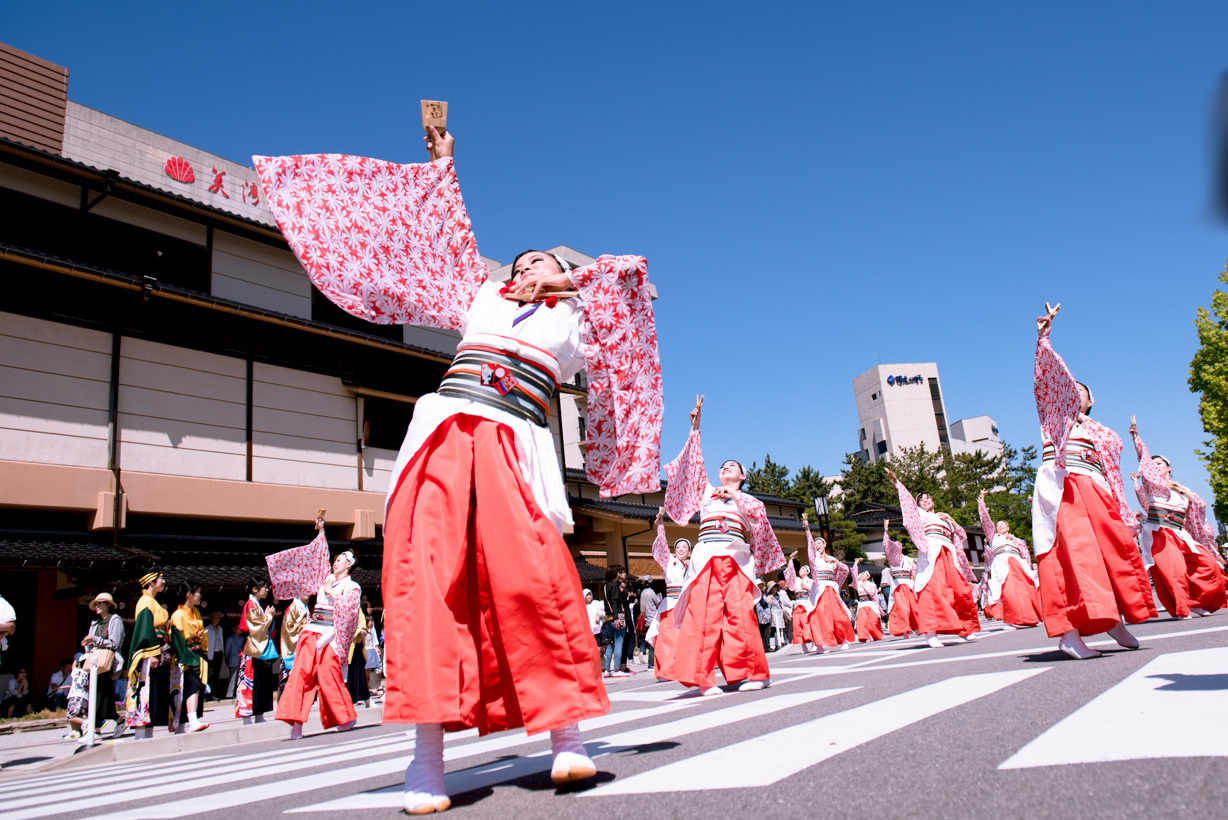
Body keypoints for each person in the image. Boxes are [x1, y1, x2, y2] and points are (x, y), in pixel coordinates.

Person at [257, 125, 663, 811]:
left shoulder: (579, 320)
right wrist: (444, 166)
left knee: (533, 576)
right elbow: (442, 236)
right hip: (444, 430)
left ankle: (565, 737)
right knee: (426, 581)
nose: (525, 268)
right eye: (520, 262)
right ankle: (427, 758)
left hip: (515, 442)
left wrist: (564, 279)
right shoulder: (480, 296)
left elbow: (630, 274)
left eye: (538, 261)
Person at [1032, 306, 1156, 659]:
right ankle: (1069, 633)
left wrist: (1124, 507)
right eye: (1070, 387)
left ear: (1092, 399)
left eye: (1081, 389)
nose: (1074, 391)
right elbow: (1047, 382)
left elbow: (1115, 473)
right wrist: (1044, 339)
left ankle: (1112, 618)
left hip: (1097, 489)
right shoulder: (1056, 415)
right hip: (1064, 485)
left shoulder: (1104, 433)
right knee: (1071, 554)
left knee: (1111, 552)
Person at [662, 396, 790, 695]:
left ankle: (755, 672)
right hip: (707, 557)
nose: (725, 467)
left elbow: (758, 517)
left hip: (735, 559)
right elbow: (693, 467)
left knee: (739, 615)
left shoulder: (748, 500)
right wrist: (695, 429)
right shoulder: (707, 492)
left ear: (742, 476)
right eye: (722, 466)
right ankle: (702, 678)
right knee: (703, 616)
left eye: (732, 466)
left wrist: (733, 497)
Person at [1129, 422, 1227, 618]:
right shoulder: (1152, 485)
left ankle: (1195, 601)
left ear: (1169, 467)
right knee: (1175, 570)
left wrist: (1185, 491)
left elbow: (1200, 506)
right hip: (1161, 532)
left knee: (1207, 564)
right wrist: (1136, 439)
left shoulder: (1179, 489)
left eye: (1159, 464)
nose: (1155, 466)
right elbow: (1145, 465)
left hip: (1181, 533)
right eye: (1152, 464)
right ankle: (1183, 607)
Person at [886, 469, 980, 649]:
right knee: (933, 590)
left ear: (933, 500)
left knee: (960, 590)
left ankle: (965, 628)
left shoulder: (942, 517)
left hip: (949, 553)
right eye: (921, 499)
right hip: (932, 553)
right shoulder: (920, 515)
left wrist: (951, 520)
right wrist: (897, 483)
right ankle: (931, 632)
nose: (925, 500)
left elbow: (962, 535)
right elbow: (907, 504)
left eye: (928, 498)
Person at [276, 547, 361, 739]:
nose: (335, 562)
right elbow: (319, 555)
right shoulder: (327, 580)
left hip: (330, 635)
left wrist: (332, 594)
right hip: (312, 631)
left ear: (349, 564)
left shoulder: (352, 586)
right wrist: (321, 530)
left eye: (339, 560)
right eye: (335, 560)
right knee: (300, 675)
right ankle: (296, 724)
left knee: (328, 677)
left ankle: (345, 717)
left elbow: (349, 612)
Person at [977, 491, 1042, 629]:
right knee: (1008, 590)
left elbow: (1025, 554)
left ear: (1008, 527)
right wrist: (982, 503)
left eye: (1002, 524)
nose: (1000, 526)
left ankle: (1028, 617)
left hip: (1017, 562)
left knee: (1025, 589)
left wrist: (1017, 542)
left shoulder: (1016, 539)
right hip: (1003, 563)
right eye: (998, 525)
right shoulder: (994, 538)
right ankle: (1010, 619)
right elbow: (986, 522)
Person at [646, 509, 693, 679]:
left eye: (684, 547)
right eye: (678, 547)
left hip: (687, 603)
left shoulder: (692, 566)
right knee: (668, 637)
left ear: (689, 551)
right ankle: (667, 669)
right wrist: (660, 523)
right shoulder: (670, 562)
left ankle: (687, 666)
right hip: (671, 604)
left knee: (687, 637)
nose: (681, 549)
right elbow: (662, 544)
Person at [798, 513, 854, 653]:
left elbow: (845, 570)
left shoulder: (830, 559)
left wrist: (836, 561)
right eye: (815, 544)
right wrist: (807, 529)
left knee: (837, 615)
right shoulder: (814, 558)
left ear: (824, 545)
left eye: (819, 543)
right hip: (820, 589)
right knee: (819, 616)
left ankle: (842, 640)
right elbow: (810, 545)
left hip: (831, 589)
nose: (817, 546)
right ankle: (820, 645)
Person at [126, 571, 170, 739]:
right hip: (149, 650)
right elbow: (146, 629)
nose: (163, 581)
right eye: (160, 579)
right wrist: (151, 653)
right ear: (151, 583)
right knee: (146, 688)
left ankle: (148, 731)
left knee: (154, 690)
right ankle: (141, 733)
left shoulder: (152, 601)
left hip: (157, 648)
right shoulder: (145, 602)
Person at [168, 581, 210, 733]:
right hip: (186, 655)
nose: (200, 595)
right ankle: (191, 720)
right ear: (189, 594)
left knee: (194, 686)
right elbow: (178, 640)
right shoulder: (178, 615)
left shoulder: (196, 613)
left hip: (197, 653)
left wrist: (204, 652)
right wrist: (184, 657)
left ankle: (184, 724)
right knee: (191, 686)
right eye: (197, 592)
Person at [236, 574, 277, 723]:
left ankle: (259, 712)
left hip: (259, 649)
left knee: (260, 682)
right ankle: (247, 715)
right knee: (250, 681)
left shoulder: (256, 604)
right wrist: (268, 617)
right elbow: (256, 628)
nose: (267, 589)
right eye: (264, 587)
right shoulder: (251, 604)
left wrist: (267, 617)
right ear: (255, 589)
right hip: (252, 649)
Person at [83, 592, 125, 737]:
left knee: (100, 695)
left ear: (108, 604)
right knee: (102, 696)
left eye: (100, 603)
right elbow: (91, 642)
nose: (97, 606)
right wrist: (88, 644)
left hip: (108, 663)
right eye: (96, 604)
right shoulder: (95, 623)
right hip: (96, 662)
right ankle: (118, 721)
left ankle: (95, 730)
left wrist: (96, 640)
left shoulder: (115, 620)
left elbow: (115, 643)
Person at [880, 521, 920, 638]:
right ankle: (904, 630)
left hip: (909, 584)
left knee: (913, 606)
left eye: (898, 546)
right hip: (898, 585)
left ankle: (916, 626)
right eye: (894, 547)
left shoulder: (909, 560)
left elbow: (915, 572)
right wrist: (886, 530)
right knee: (902, 608)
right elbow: (886, 545)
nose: (896, 549)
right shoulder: (892, 560)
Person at [280, 594, 311, 690]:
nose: (308, 594)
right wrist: (304, 625)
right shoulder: (293, 607)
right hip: (293, 649)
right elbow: (289, 629)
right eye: (305, 592)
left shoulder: (306, 607)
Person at [852, 559, 884, 642]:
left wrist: (865, 587)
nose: (862, 575)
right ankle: (864, 637)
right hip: (862, 604)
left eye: (864, 574)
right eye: (861, 574)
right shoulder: (858, 584)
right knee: (862, 621)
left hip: (870, 603)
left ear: (868, 576)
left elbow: (872, 593)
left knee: (873, 620)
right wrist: (856, 563)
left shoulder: (872, 585)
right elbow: (854, 575)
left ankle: (876, 635)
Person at [347, 600, 372, 708]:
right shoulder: (342, 609)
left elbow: (363, 628)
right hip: (347, 646)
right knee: (348, 675)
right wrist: (358, 633)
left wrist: (360, 634)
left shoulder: (358, 611)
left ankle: (365, 699)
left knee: (360, 674)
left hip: (357, 647)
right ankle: (348, 701)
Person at [638, 580, 661, 667]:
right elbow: (657, 603)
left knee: (647, 640)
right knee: (653, 642)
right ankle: (651, 663)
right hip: (652, 618)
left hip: (646, 619)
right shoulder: (651, 592)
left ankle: (650, 661)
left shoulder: (642, 593)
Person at [203, 612, 224, 700]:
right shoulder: (207, 629)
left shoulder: (220, 628)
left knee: (216, 674)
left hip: (219, 653)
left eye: (218, 618)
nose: (216, 619)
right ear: (211, 619)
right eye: (214, 617)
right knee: (210, 674)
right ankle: (207, 695)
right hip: (211, 654)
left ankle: (214, 694)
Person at [223, 625, 245, 699]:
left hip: (240, 659)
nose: (240, 630)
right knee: (233, 677)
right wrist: (227, 659)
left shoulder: (241, 638)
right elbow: (227, 651)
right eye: (238, 629)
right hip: (233, 659)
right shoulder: (230, 639)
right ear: (234, 629)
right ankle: (229, 693)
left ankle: (237, 692)